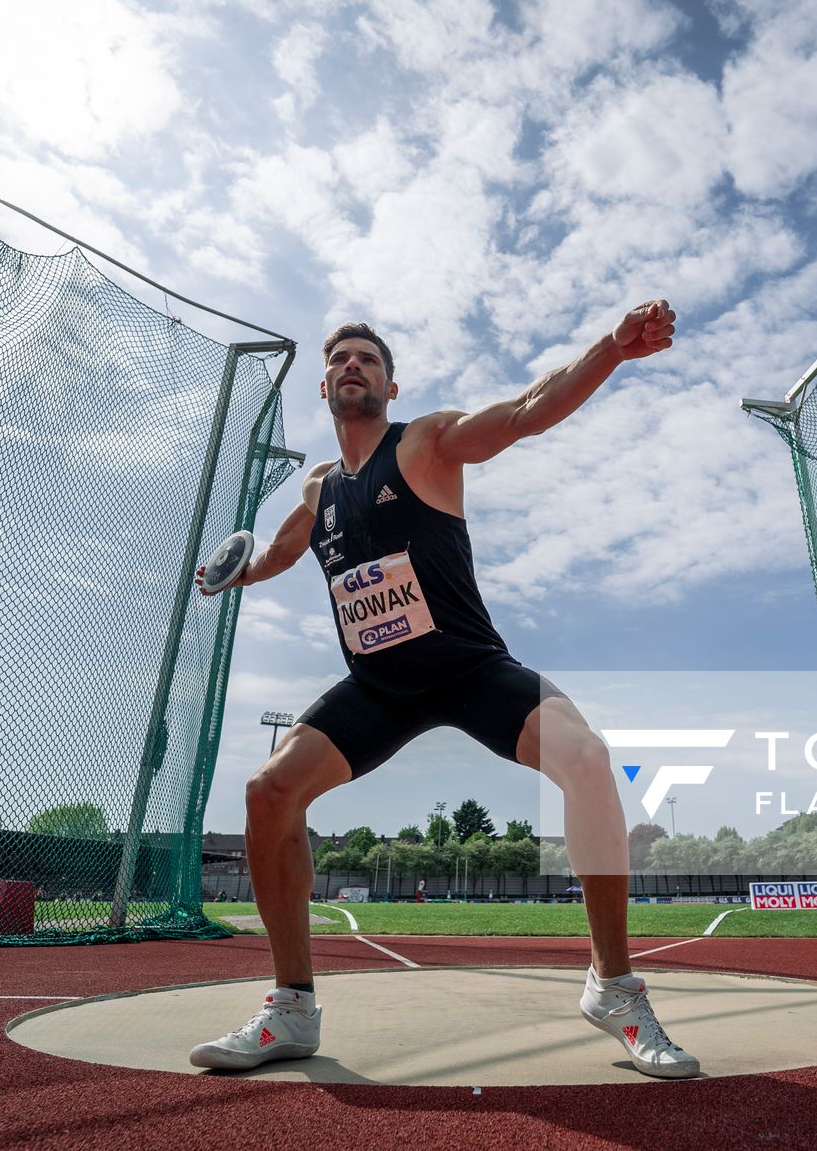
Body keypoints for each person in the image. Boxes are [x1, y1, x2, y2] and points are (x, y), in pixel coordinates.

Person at [188, 303, 697, 1079]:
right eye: (341, 360)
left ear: (393, 385)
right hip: (379, 686)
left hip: (468, 669)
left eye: (368, 359)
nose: (353, 365)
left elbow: (527, 411)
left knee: (587, 758)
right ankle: (291, 1009)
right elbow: (286, 547)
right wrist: (240, 572)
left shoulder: (427, 443)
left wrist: (611, 351)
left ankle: (615, 990)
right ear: (325, 387)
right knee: (269, 791)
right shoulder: (318, 490)